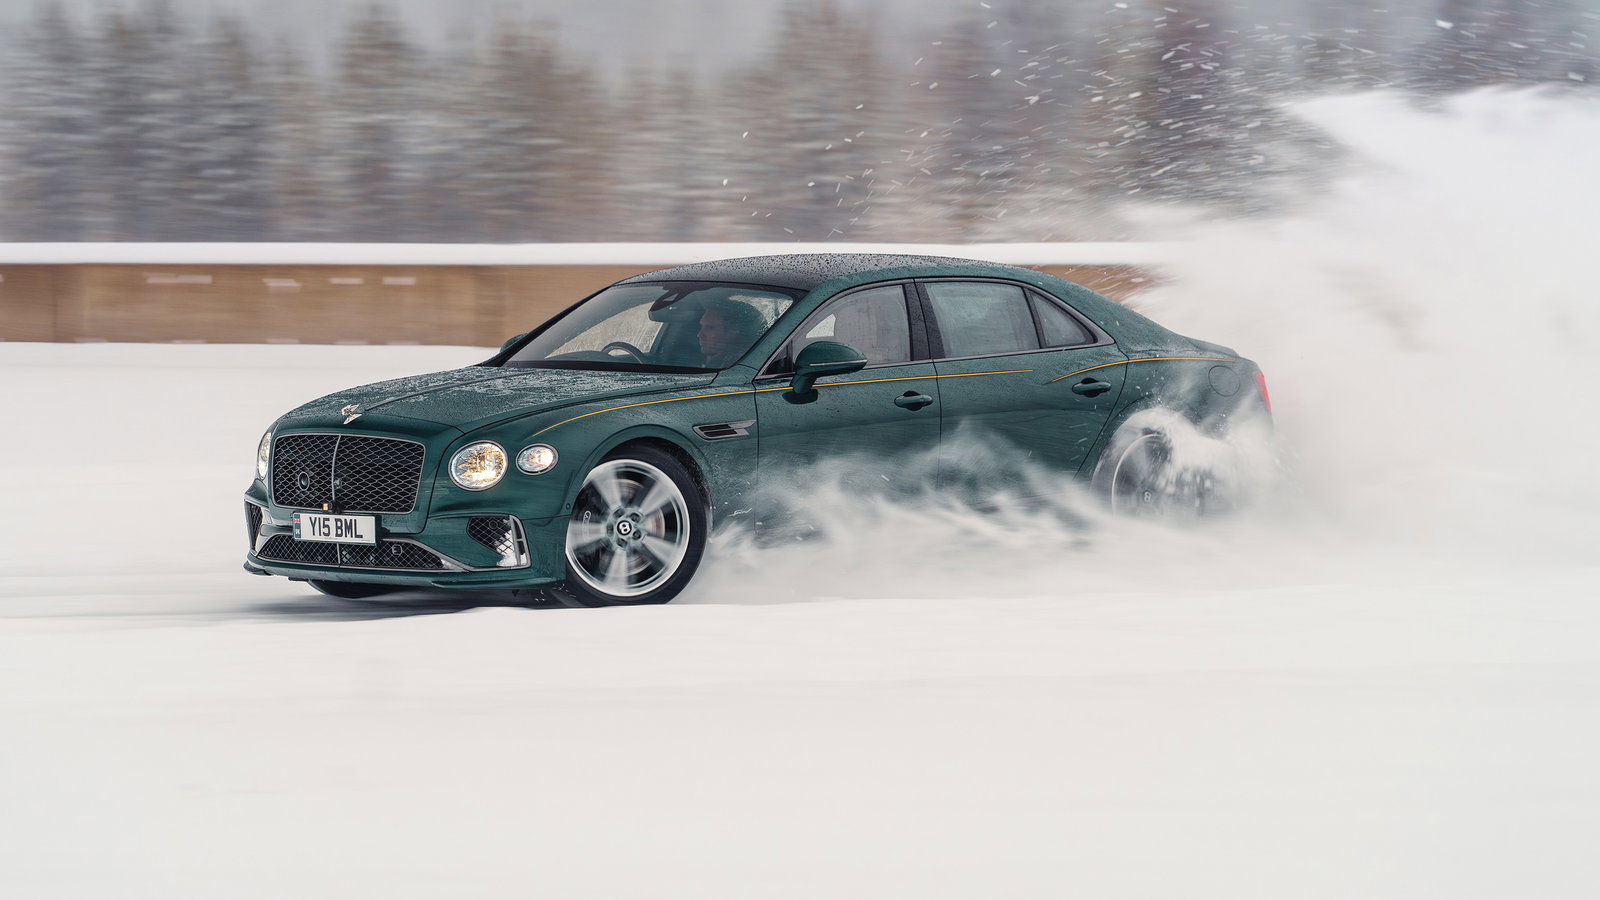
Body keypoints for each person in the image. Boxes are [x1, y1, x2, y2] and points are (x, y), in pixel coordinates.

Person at [696, 298, 768, 368]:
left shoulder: (744, 367)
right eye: (702, 326)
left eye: (710, 328)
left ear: (732, 333)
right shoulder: (696, 360)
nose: (700, 335)